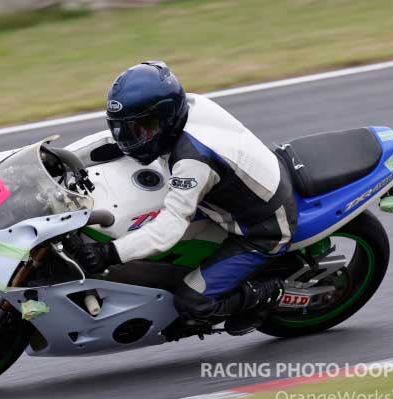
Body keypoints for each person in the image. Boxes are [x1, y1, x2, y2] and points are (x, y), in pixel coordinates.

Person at [74, 61, 297, 335]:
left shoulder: (192, 162)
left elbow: (169, 229)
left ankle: (267, 294)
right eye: (125, 128)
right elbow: (108, 144)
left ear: (165, 116)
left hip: (262, 228)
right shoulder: (185, 108)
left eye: (142, 128)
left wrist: (109, 253)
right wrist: (62, 157)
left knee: (191, 302)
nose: (131, 138)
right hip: (234, 190)